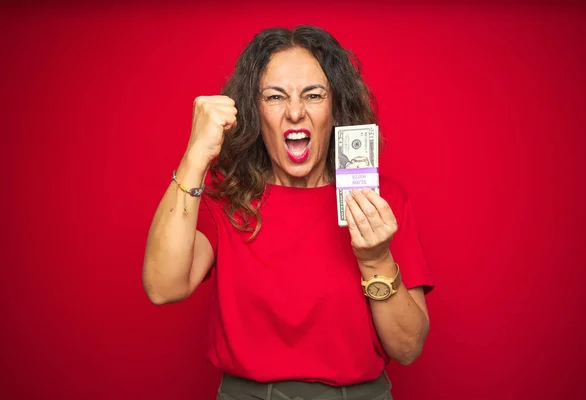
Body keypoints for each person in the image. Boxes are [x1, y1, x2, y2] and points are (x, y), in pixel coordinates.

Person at [142, 25, 434, 400]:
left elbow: (408, 349)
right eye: (275, 97)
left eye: (313, 95)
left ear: (334, 107)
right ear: (254, 110)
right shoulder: (224, 198)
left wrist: (375, 259)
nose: (295, 112)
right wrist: (195, 155)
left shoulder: (382, 200)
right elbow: (162, 287)